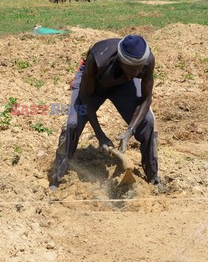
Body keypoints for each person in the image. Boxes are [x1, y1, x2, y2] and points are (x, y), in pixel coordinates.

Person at [50, 35, 165, 191]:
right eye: (132, 69)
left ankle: (153, 178)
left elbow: (146, 99)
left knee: (148, 122)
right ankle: (57, 177)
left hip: (123, 85)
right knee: (73, 124)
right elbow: (85, 96)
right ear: (121, 60)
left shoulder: (147, 61)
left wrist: (129, 130)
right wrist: (100, 135)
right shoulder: (98, 59)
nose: (136, 73)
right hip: (93, 85)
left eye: (139, 69)